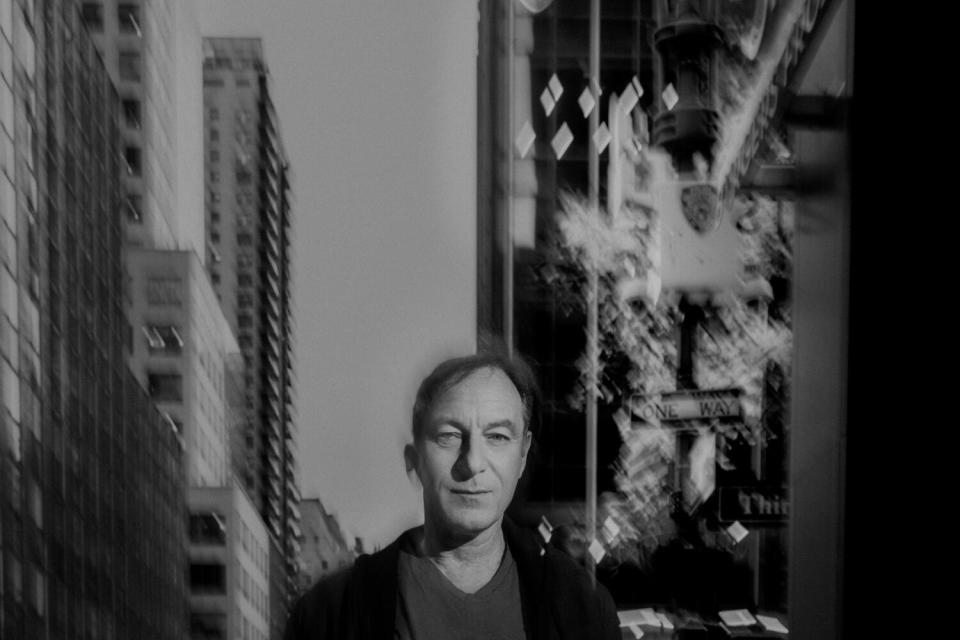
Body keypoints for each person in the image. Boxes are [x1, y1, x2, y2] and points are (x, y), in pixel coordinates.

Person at [284, 352, 621, 639]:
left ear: (523, 455)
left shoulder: (583, 609)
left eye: (498, 436)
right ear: (414, 461)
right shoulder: (330, 615)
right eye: (448, 436)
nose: (473, 463)